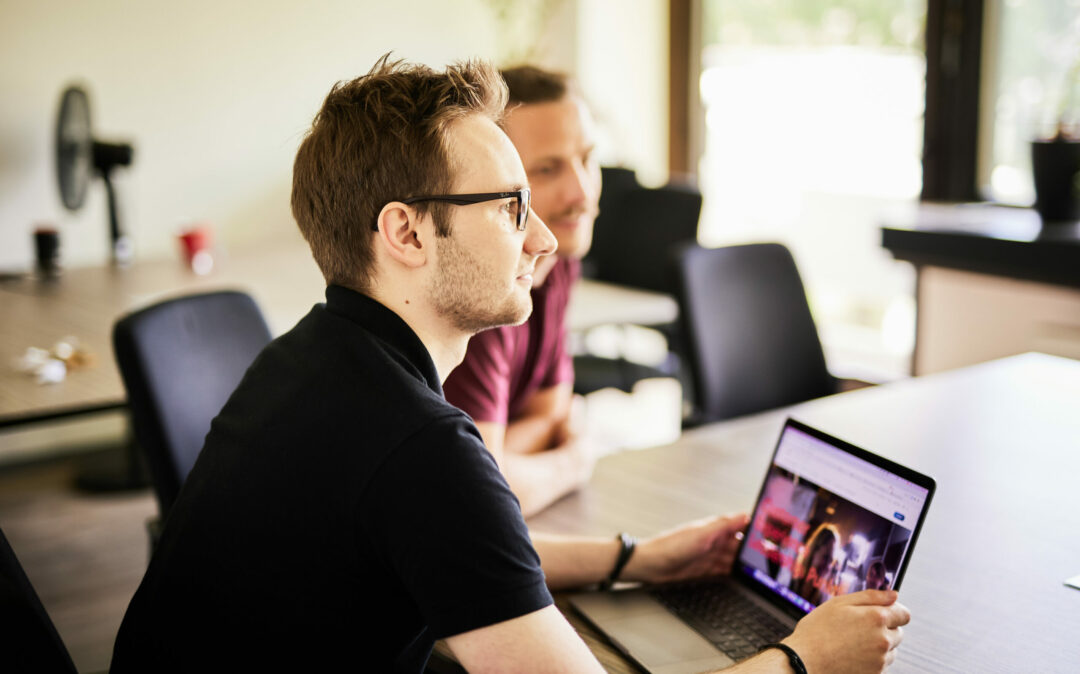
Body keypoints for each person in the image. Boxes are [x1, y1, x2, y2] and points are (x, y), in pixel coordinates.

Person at [110, 56, 909, 673]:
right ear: (408, 234)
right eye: (508, 208)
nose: (545, 239)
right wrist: (807, 658)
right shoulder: (416, 445)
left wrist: (636, 558)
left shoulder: (309, 359)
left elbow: (453, 551)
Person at [442, 65, 602, 516]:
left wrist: (508, 453)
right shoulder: (483, 292)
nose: (583, 192)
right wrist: (575, 460)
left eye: (588, 159)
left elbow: (553, 414)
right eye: (548, 169)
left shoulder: (558, 262)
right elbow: (480, 494)